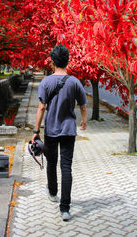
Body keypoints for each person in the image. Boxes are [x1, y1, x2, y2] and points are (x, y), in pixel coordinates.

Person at [31, 44, 87, 221]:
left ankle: (53, 193)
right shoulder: (74, 82)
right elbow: (83, 106)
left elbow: (41, 107)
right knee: (66, 168)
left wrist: (35, 130)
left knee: (51, 163)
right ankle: (65, 209)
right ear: (67, 61)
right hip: (69, 130)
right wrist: (84, 120)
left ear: (53, 62)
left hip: (51, 130)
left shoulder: (46, 82)